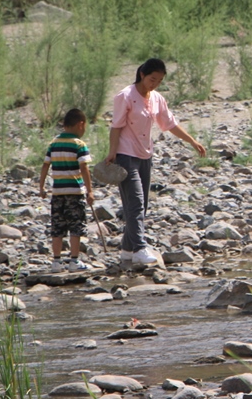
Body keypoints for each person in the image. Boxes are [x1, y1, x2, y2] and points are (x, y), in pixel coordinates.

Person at [106, 58, 205, 265]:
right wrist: (112, 153)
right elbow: (116, 127)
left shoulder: (157, 98)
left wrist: (192, 141)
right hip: (125, 154)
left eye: (159, 81)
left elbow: (169, 124)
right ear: (142, 74)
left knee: (142, 206)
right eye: (152, 79)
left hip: (145, 155)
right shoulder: (125, 96)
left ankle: (127, 249)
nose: (155, 84)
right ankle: (140, 248)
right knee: (135, 202)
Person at [39, 108, 95, 272]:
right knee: (75, 226)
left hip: (58, 193)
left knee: (57, 226)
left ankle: (56, 262)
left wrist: (41, 186)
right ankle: (74, 261)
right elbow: (84, 168)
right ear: (80, 125)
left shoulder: (54, 143)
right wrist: (90, 191)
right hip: (75, 193)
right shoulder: (79, 145)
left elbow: (45, 165)